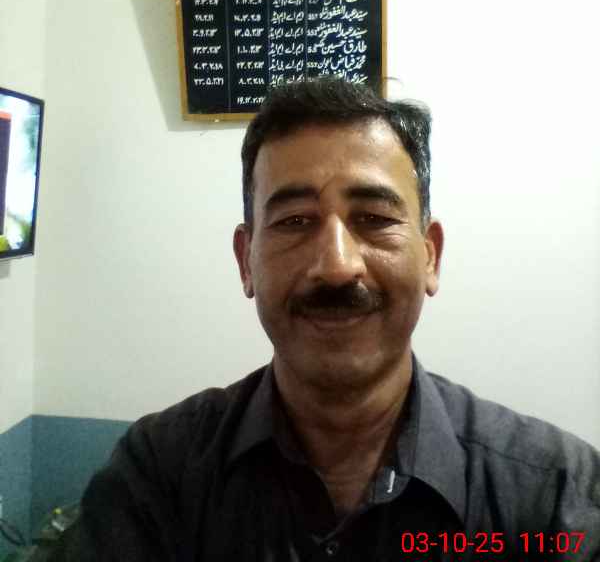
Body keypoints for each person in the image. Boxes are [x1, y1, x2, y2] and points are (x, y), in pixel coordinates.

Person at [52, 77, 599, 561]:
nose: (337, 266)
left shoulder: (554, 498)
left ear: (430, 256)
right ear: (246, 262)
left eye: (375, 218)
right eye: (294, 221)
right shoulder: (158, 477)